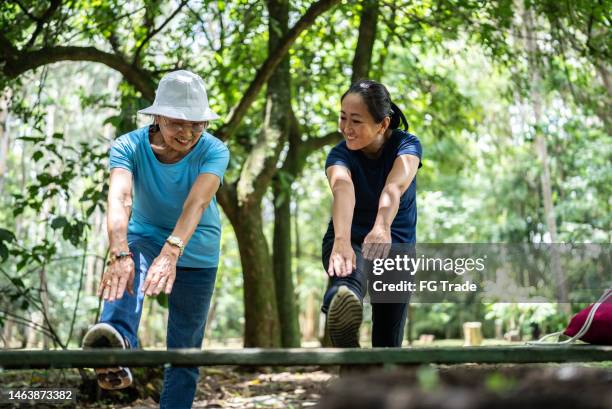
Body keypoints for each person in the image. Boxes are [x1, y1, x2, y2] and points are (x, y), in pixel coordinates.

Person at [82, 70, 229, 408]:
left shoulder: (214, 150)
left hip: (197, 246)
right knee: (128, 259)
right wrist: (118, 252)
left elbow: (198, 201)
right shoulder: (128, 145)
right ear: (158, 116)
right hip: (145, 237)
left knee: (185, 351)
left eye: (197, 124)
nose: (189, 132)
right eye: (178, 122)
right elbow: (120, 197)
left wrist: (173, 250)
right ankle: (114, 348)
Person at [322, 79, 422, 348]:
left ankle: (379, 377)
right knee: (346, 285)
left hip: (396, 242)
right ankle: (345, 330)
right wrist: (341, 241)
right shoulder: (339, 154)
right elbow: (343, 188)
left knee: (387, 339)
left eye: (356, 121)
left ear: (383, 124)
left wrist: (381, 226)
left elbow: (394, 185)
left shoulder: (406, 145)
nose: (346, 128)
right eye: (342, 118)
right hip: (350, 237)